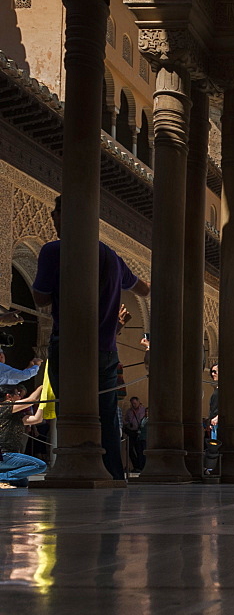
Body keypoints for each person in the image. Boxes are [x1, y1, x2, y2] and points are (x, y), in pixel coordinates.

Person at [31, 194, 151, 481]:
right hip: (107, 351)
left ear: (68, 216)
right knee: (106, 414)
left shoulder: (54, 251)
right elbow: (144, 290)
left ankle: (77, 468)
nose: (52, 218)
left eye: (56, 213)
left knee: (71, 408)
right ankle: (111, 474)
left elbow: (40, 298)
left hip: (70, 347)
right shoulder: (111, 256)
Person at [0, 383, 47, 486]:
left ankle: (4, 476)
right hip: (3, 454)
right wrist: (43, 386)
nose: (20, 396)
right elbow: (32, 399)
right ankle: (2, 477)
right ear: (9, 396)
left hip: (8, 456)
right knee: (39, 465)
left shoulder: (13, 415)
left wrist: (43, 404)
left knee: (22, 482)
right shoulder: (4, 407)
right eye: (18, 393)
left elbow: (36, 419)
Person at [122, 395, 148, 472]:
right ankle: (136, 465)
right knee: (129, 449)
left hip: (140, 432)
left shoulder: (143, 410)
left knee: (139, 450)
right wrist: (127, 424)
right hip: (132, 432)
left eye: (135, 403)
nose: (133, 405)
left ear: (139, 402)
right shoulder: (129, 411)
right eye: (132, 403)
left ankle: (140, 467)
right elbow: (126, 420)